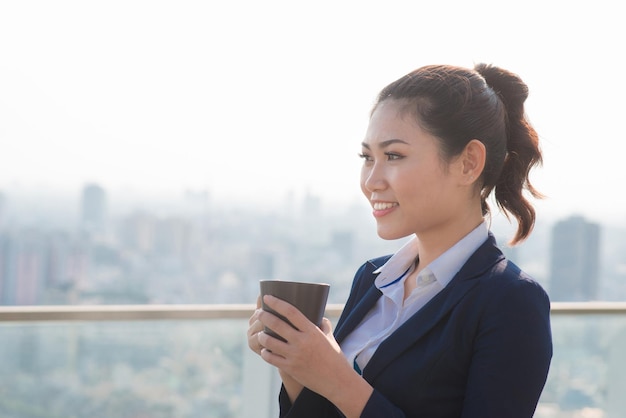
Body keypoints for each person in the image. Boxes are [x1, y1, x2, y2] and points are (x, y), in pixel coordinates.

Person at [247, 63, 553, 418]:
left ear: (468, 163)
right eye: (367, 158)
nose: (372, 181)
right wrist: (297, 363)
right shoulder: (373, 279)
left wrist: (336, 378)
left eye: (394, 156)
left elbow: (345, 394)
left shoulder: (511, 301)